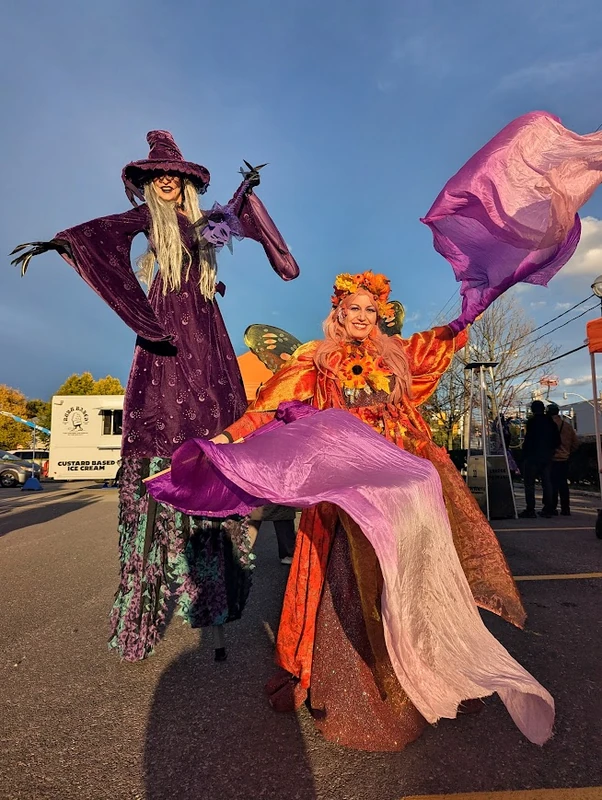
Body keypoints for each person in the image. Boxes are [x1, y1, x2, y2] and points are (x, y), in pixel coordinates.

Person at [204, 271, 539, 750]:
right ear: (338, 313)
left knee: (414, 574)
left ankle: (428, 668)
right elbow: (268, 405)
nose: (362, 317)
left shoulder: (397, 353)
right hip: (351, 481)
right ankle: (364, 685)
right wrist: (225, 438)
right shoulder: (317, 359)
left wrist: (479, 299)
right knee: (353, 575)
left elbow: (442, 339)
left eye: (370, 310)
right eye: (353, 309)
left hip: (404, 476)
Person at [11, 130, 299, 662]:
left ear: (185, 183)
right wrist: (61, 243)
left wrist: (247, 192)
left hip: (206, 334)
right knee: (161, 428)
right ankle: (141, 610)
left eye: (174, 175)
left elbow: (235, 217)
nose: (167, 181)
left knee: (212, 432)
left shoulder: (205, 222)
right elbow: (100, 232)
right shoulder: (148, 218)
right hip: (166, 332)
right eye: (159, 175)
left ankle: (214, 601)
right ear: (149, 183)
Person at [519, 400, 561, 519]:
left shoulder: (532, 422)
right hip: (546, 457)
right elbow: (557, 441)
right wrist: (550, 450)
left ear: (533, 410)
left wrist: (524, 454)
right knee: (547, 483)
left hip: (532, 457)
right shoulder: (550, 422)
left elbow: (528, 440)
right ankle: (548, 508)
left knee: (529, 484)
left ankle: (530, 509)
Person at [547, 403, 579, 516]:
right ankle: (565, 508)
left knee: (552, 484)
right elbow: (575, 443)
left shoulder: (548, 426)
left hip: (551, 459)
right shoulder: (567, 426)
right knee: (563, 484)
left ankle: (552, 507)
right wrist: (568, 451)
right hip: (564, 458)